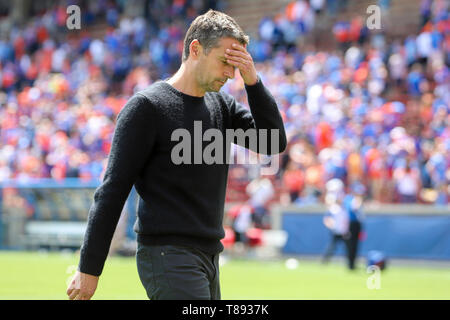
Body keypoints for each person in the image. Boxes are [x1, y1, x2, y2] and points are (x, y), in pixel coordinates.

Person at [66, 9, 287, 300]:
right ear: (195, 49)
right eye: (225, 61)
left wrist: (253, 81)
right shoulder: (147, 107)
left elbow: (272, 142)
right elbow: (112, 191)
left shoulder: (222, 105)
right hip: (167, 254)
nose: (230, 73)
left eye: (237, 65)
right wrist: (89, 268)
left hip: (209, 256)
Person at [321, 179, 350, 265]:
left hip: (344, 231)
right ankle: (325, 261)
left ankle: (349, 263)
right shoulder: (334, 209)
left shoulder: (344, 209)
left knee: (348, 247)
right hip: (336, 231)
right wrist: (332, 226)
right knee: (332, 247)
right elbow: (327, 219)